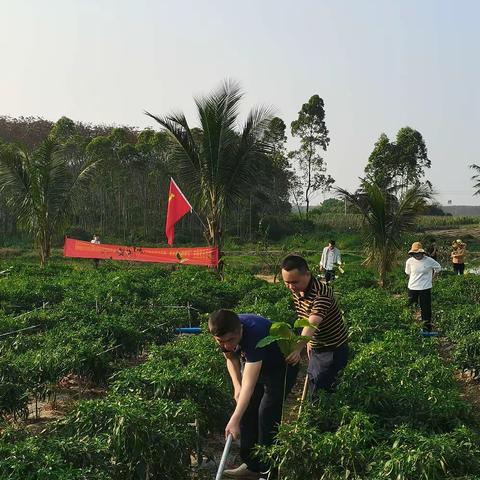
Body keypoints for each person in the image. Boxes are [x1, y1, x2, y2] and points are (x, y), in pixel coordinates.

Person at [208, 309, 298, 479]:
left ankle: (268, 472)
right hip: (255, 365)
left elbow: (249, 384)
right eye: (221, 341)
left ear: (240, 330)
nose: (226, 345)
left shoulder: (255, 334)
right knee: (248, 412)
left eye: (230, 340)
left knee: (267, 414)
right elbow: (231, 359)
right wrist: (237, 386)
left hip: (280, 367)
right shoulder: (223, 330)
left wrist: (233, 419)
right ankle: (251, 466)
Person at [281, 255, 348, 398]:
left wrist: (298, 348)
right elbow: (305, 318)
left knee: (323, 389)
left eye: (294, 282)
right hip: (316, 344)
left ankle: (321, 417)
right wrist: (309, 342)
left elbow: (312, 322)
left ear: (307, 274)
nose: (291, 287)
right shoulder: (298, 289)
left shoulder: (321, 294)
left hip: (332, 348)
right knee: (315, 383)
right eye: (286, 282)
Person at [405, 242, 441, 334]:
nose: (417, 255)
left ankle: (427, 329)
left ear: (422, 252)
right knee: (411, 307)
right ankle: (410, 327)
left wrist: (432, 278)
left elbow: (438, 268)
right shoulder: (409, 261)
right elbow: (408, 273)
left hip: (425, 288)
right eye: (415, 253)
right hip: (412, 287)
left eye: (418, 253)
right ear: (412, 253)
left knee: (426, 309)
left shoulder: (429, 260)